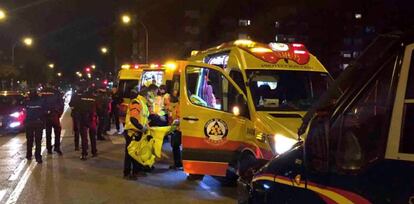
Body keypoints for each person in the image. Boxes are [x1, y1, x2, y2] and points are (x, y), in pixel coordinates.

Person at [123, 87, 150, 180]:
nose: (150, 98)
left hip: (138, 132)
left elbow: (143, 118)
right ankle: (127, 173)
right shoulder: (137, 103)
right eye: (150, 96)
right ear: (146, 95)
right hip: (132, 132)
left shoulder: (143, 104)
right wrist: (142, 128)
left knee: (136, 153)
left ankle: (136, 172)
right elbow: (133, 119)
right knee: (130, 154)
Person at [72, 86, 98, 160]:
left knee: (84, 138)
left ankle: (84, 154)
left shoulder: (80, 97)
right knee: (93, 137)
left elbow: (75, 107)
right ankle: (94, 152)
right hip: (92, 119)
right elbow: (98, 108)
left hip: (82, 119)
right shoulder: (95, 98)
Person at [25, 88, 46, 163]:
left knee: (29, 140)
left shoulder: (27, 101)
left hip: (29, 123)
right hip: (38, 122)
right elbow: (44, 111)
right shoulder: (41, 100)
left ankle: (29, 155)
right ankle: (38, 157)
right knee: (38, 141)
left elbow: (25, 111)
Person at [43, 85, 64, 155]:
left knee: (48, 132)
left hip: (46, 116)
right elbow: (61, 105)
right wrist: (59, 114)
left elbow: (41, 104)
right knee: (57, 131)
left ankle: (49, 148)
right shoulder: (57, 93)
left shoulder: (43, 92)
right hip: (54, 115)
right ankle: (57, 147)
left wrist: (44, 112)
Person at [69, 87, 82, 151]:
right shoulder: (84, 95)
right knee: (83, 130)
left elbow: (70, 104)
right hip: (83, 115)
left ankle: (76, 146)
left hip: (75, 114)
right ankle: (84, 144)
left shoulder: (74, 95)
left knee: (76, 130)